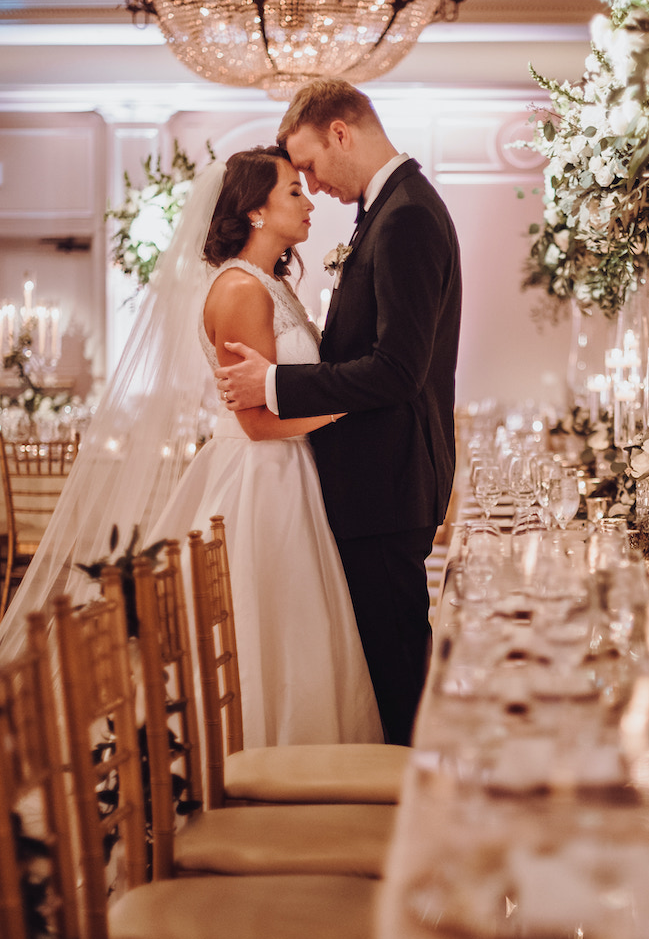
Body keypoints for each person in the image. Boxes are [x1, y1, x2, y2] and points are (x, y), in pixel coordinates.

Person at [217, 82, 462, 747]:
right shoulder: (389, 210)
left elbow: (398, 370)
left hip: (385, 487)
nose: (313, 186)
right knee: (385, 665)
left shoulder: (405, 215)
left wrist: (274, 383)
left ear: (341, 134)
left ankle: (408, 818)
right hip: (369, 488)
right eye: (296, 182)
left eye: (312, 167)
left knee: (398, 669)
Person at [150, 147, 381, 748]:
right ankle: (255, 752)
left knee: (301, 623)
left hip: (291, 470)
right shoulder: (238, 290)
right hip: (259, 477)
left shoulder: (273, 283)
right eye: (294, 193)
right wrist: (357, 403)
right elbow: (256, 422)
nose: (309, 203)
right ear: (255, 210)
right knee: (269, 623)